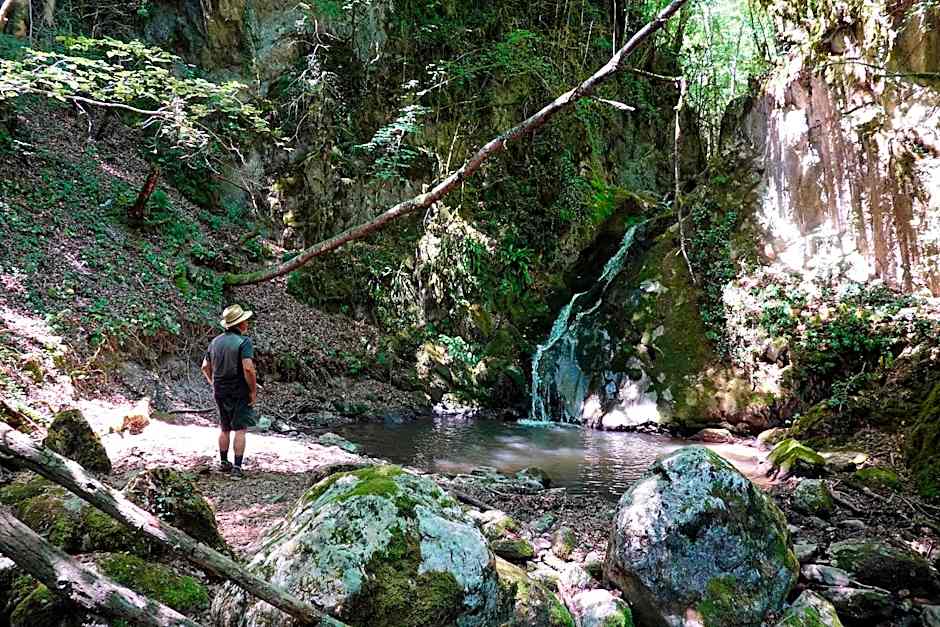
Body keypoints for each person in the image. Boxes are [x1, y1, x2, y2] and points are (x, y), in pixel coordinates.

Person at [201, 304, 257, 476]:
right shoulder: (244, 342)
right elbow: (248, 368)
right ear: (240, 324)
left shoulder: (215, 341)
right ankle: (237, 468)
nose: (247, 323)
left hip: (220, 389)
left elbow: (204, 366)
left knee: (224, 428)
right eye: (245, 320)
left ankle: (224, 463)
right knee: (240, 428)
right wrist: (253, 390)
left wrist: (213, 382)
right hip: (239, 389)